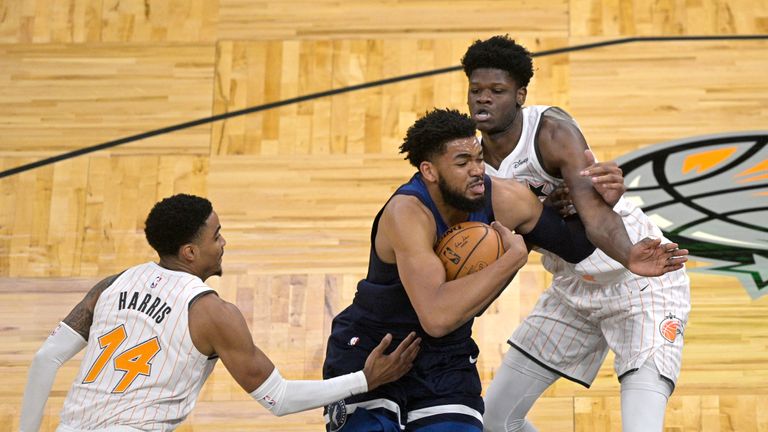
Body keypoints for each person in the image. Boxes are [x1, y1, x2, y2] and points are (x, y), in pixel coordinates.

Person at [321, 108, 687, 432]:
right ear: (429, 171)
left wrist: (601, 209)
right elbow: (435, 316)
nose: (478, 170)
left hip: (444, 359)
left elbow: (577, 243)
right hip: (375, 350)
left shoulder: (504, 198)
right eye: (462, 162)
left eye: (479, 158)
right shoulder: (407, 214)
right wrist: (513, 257)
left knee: (493, 424)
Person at [20, 194, 421, 432]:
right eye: (216, 236)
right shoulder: (212, 313)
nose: (224, 242)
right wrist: (363, 380)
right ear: (190, 253)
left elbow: (46, 358)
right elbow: (278, 398)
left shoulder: (110, 284)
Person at [461, 35, 692, 432]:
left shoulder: (552, 132)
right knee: (495, 422)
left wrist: (630, 254)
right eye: (476, 90)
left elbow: (597, 219)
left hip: (638, 282)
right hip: (573, 290)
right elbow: (502, 248)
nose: (483, 99)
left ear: (520, 95)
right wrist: (541, 213)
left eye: (496, 91)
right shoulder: (470, 162)